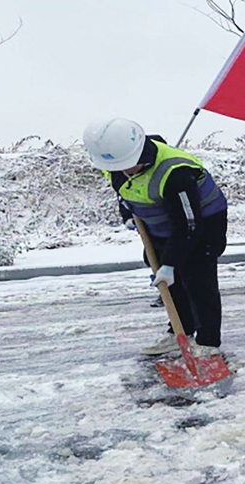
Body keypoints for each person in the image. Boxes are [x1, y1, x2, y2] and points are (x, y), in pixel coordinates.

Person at [83, 117, 228, 356]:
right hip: (160, 226)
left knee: (198, 281)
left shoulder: (175, 173)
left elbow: (189, 225)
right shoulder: (114, 162)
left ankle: (208, 342)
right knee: (169, 284)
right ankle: (180, 330)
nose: (125, 170)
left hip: (202, 226)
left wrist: (170, 263)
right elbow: (124, 192)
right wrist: (127, 215)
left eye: (129, 164)